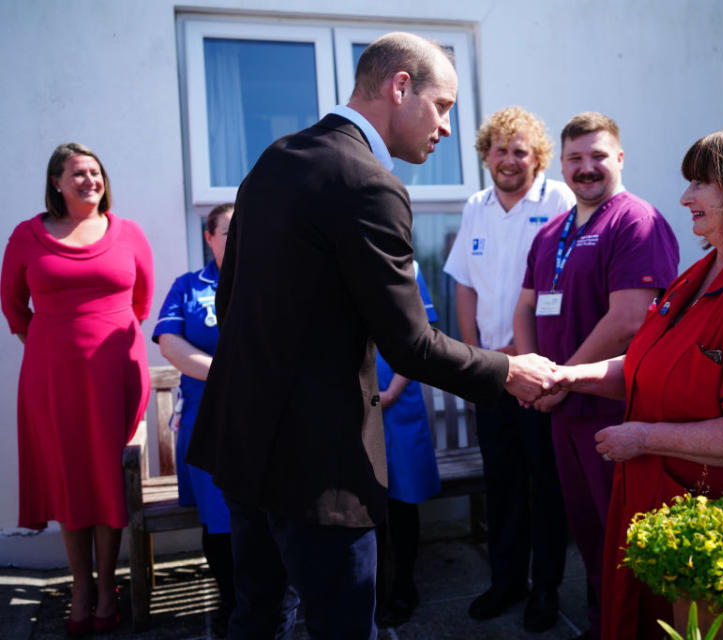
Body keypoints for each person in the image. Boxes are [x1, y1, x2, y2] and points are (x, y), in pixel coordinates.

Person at [185, 32, 558, 640]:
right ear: (400, 86)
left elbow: (231, 305)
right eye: (442, 107)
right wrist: (508, 371)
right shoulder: (368, 184)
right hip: (317, 464)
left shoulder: (272, 160)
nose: (445, 130)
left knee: (257, 618)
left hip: (242, 439)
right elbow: (409, 343)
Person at [555, 129, 723, 639]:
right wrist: (571, 376)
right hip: (670, 514)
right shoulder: (704, 269)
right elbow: (649, 367)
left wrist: (642, 436)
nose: (685, 197)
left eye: (702, 183)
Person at [513, 112, 679, 640]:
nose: (586, 169)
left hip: (615, 410)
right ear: (561, 164)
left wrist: (559, 379)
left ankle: (637, 630)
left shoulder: (637, 223)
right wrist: (534, 371)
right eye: (575, 159)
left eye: (598, 156)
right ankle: (604, 623)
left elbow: (630, 319)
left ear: (620, 158)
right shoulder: (552, 233)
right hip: (564, 410)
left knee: (626, 537)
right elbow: (525, 307)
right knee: (588, 535)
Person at [1, 142, 154, 635]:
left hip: (115, 375)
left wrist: (100, 345)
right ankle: (81, 588)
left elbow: (140, 302)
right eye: (78, 173)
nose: (90, 180)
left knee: (108, 476)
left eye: (95, 172)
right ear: (56, 183)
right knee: (71, 477)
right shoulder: (27, 236)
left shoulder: (128, 233)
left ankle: (107, 587)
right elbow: (13, 306)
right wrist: (53, 348)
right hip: (54, 380)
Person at [443, 106, 572, 631]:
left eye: (520, 150)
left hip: (542, 374)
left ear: (537, 157)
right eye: (500, 149)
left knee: (546, 485)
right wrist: (477, 361)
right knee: (503, 484)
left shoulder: (559, 201)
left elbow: (557, 289)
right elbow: (464, 285)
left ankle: (545, 589)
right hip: (494, 373)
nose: (509, 160)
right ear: (486, 155)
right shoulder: (476, 206)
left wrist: (534, 368)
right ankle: (506, 581)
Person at [374, 260, 440, 628]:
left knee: (402, 500)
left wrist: (391, 391)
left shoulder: (407, 268)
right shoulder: (333, 257)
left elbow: (421, 334)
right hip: (351, 405)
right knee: (364, 503)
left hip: (398, 402)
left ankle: (404, 588)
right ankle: (371, 591)